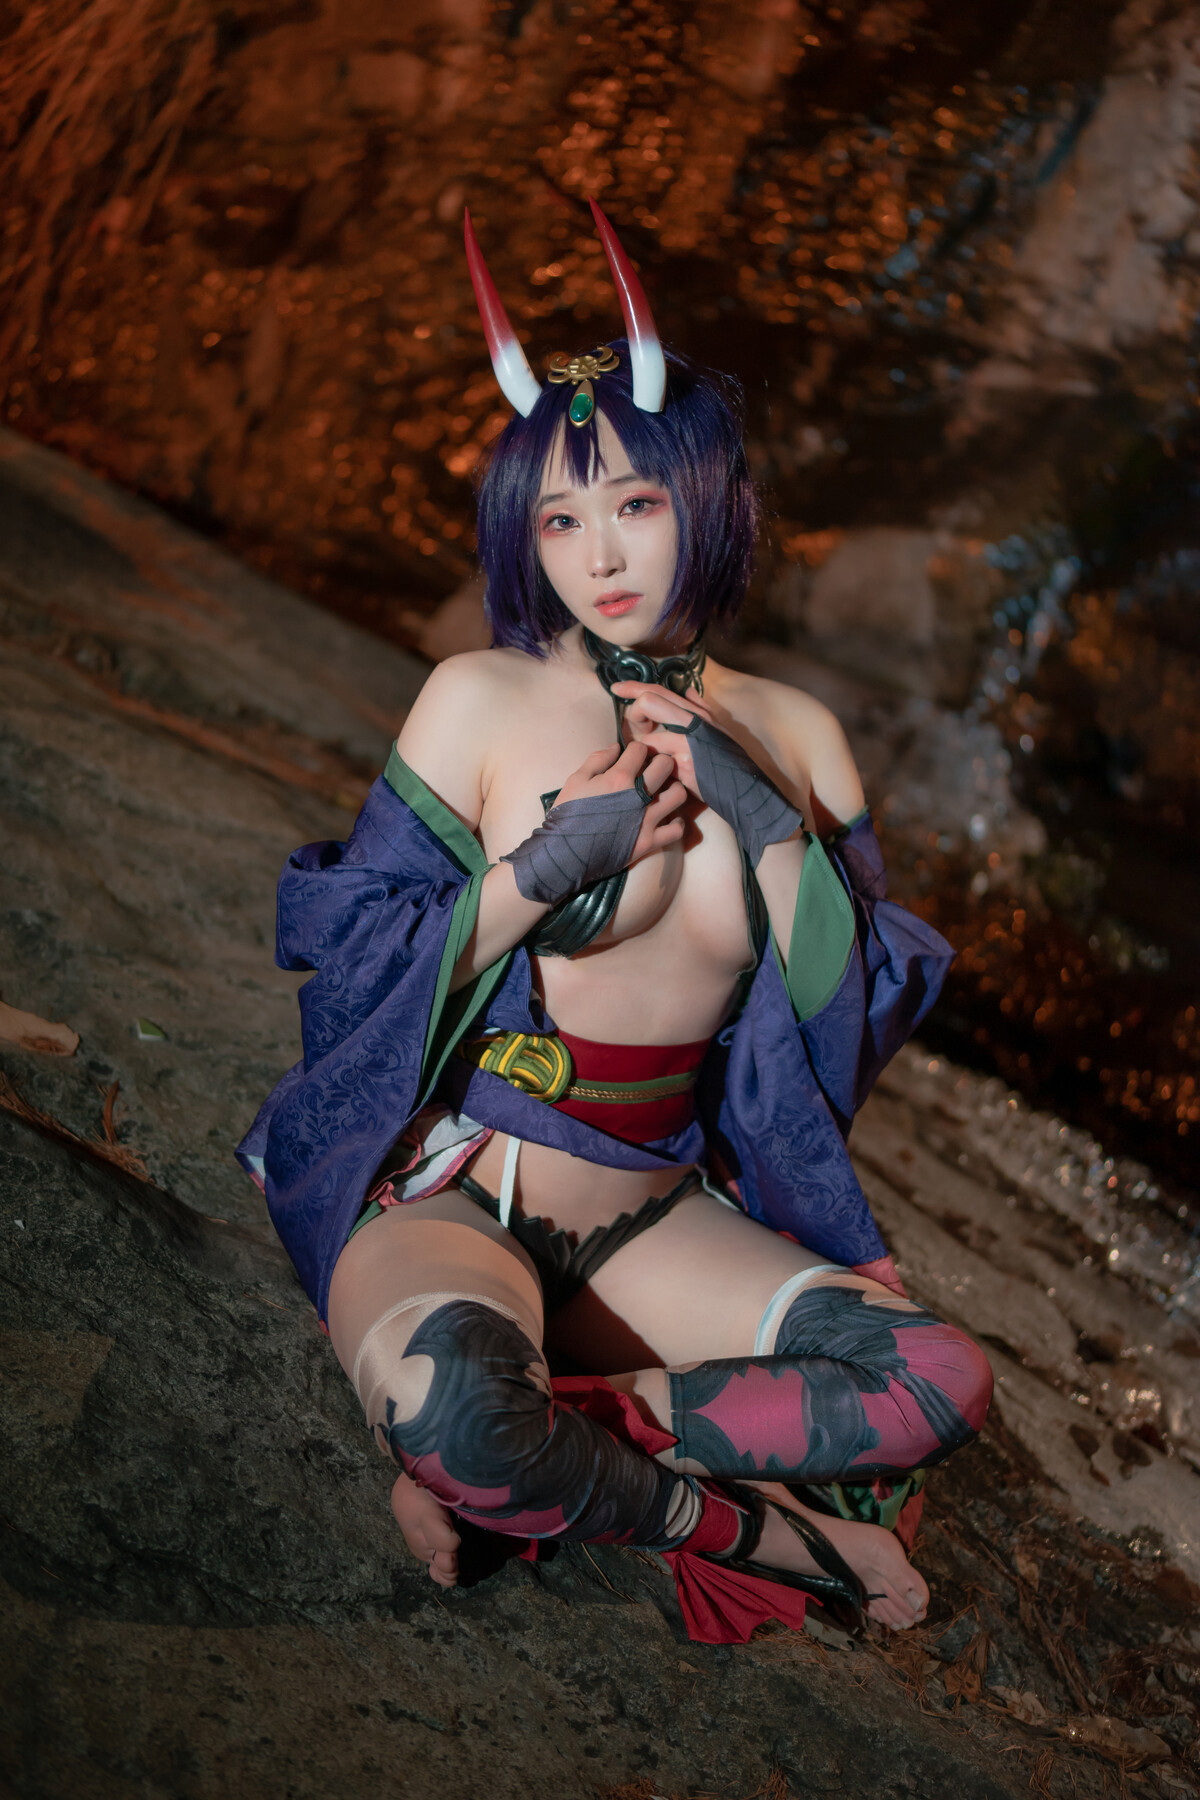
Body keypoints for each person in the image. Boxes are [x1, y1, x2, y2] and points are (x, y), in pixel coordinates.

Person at [237, 202, 993, 1646]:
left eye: (636, 504)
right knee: (458, 1408)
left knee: (938, 1380)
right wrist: (534, 874)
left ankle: (548, 1441)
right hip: (454, 1193)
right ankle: (769, 1533)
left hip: (655, 1214)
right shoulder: (477, 697)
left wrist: (769, 821)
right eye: (560, 519)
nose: (601, 555)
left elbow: (849, 1009)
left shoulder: (797, 733)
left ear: (706, 498)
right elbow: (349, 969)